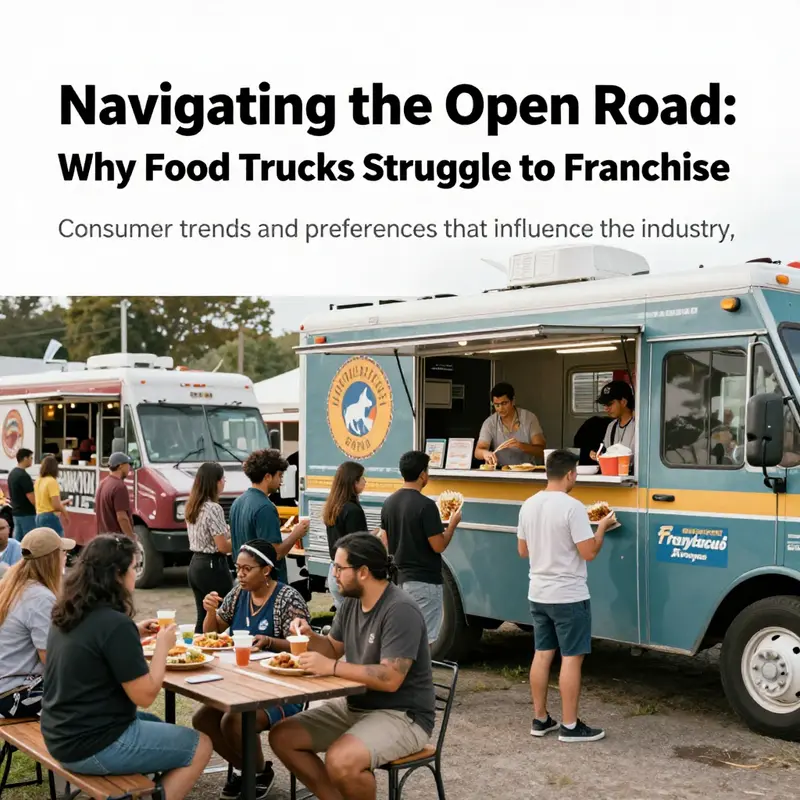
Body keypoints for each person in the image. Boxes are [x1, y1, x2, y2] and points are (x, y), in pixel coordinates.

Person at [41, 534, 213, 798]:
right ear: (116, 576)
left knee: (157, 724)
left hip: (61, 734)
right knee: (200, 745)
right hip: (91, 745)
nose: (136, 573)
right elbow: (145, 696)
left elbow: (93, 642)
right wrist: (163, 648)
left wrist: (133, 631)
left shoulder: (68, 612)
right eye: (133, 567)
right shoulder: (114, 625)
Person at [269, 533, 435, 800]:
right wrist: (309, 636)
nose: (333, 573)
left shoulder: (400, 609)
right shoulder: (351, 603)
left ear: (364, 572)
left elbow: (391, 677)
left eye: (339, 567)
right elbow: (333, 648)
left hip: (404, 715)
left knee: (341, 760)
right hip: (357, 706)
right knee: (283, 736)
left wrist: (332, 667)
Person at [194, 539, 311, 800]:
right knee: (202, 720)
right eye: (238, 568)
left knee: (234, 719)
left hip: (281, 689)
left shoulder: (288, 599)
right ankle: (249, 770)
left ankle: (256, 773)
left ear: (266, 570)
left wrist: (270, 642)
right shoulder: (238, 594)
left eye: (247, 569)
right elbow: (212, 635)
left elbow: (303, 645)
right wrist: (210, 612)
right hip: (240, 682)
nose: (241, 574)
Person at [516, 449, 617, 743]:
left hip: (538, 592)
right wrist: (601, 528)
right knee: (571, 658)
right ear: (571, 474)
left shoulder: (528, 505)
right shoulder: (573, 507)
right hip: (569, 595)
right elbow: (589, 552)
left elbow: (523, 551)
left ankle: (540, 718)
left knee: (542, 654)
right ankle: (570, 726)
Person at [380, 451, 461, 645]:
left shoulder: (389, 502)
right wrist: (452, 525)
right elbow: (438, 546)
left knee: (402, 637)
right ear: (422, 474)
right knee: (421, 641)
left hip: (398, 580)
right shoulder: (426, 506)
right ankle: (420, 676)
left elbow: (385, 541)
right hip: (424, 582)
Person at [0, 527, 72, 718]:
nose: (66, 557)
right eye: (63, 552)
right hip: (13, 695)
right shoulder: (40, 597)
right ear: (52, 558)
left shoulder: (12, 586)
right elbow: (50, 658)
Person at [229, 449, 309, 584]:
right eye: (279, 476)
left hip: (245, 578)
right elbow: (276, 553)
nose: (281, 481)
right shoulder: (265, 507)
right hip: (266, 583)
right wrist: (296, 533)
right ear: (267, 477)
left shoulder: (238, 502)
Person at [186, 462, 233, 633]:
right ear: (216, 482)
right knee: (223, 612)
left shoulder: (193, 505)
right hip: (213, 565)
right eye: (223, 479)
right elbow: (223, 547)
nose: (224, 483)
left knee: (203, 614)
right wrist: (241, 541)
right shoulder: (214, 508)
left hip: (196, 564)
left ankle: (198, 651)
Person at [322, 461, 368, 610]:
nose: (365, 481)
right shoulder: (353, 510)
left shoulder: (334, 506)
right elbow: (359, 547)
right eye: (362, 478)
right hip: (350, 574)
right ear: (353, 482)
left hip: (334, 570)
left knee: (343, 622)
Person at [475, 382, 546, 467]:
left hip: (527, 470)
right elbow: (477, 452)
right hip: (500, 470)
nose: (500, 409)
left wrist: (521, 446)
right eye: (497, 405)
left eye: (504, 403)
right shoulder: (490, 423)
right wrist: (484, 453)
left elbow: (541, 451)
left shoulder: (529, 418)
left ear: (513, 401)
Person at [590, 380, 636, 468]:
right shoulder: (611, 426)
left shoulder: (637, 425)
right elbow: (607, 452)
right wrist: (598, 454)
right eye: (604, 405)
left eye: (609, 404)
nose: (606, 409)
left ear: (623, 402)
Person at [94, 453, 135, 538]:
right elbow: (122, 518)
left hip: (103, 539)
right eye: (128, 464)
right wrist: (131, 538)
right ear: (120, 466)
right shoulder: (119, 487)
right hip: (116, 541)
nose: (129, 468)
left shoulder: (103, 483)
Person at [34, 455, 70, 535]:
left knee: (44, 542)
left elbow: (46, 502)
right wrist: (65, 514)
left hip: (39, 516)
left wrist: (63, 502)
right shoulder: (52, 481)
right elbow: (56, 505)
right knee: (58, 542)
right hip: (49, 517)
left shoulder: (38, 480)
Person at [8, 448, 37, 540]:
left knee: (17, 539)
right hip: (27, 514)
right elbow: (32, 498)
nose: (32, 460)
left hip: (16, 512)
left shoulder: (12, 473)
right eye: (31, 458)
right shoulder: (24, 476)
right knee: (30, 540)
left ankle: (15, 554)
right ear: (25, 458)